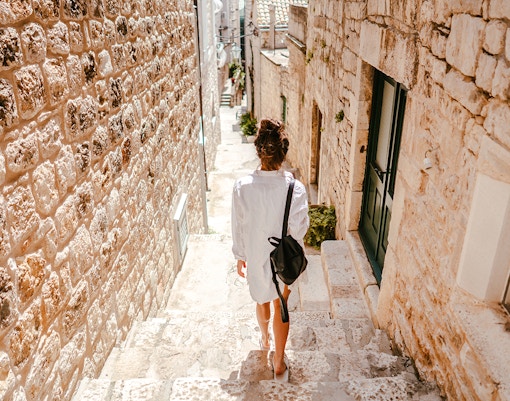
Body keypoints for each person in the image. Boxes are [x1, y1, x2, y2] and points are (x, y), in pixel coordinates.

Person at [231, 118, 309, 381]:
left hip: (254, 253)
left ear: (259, 151)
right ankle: (278, 362)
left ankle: (264, 339)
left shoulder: (242, 187)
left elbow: (238, 224)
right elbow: (299, 230)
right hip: (283, 260)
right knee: (281, 303)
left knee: (261, 300)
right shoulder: (294, 188)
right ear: (282, 153)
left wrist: (241, 256)